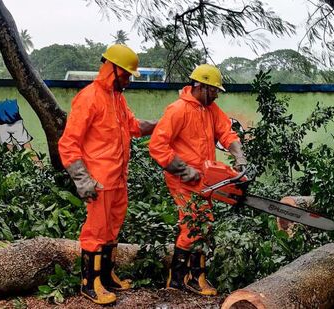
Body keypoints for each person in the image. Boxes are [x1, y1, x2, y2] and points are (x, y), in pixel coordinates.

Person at [58, 44, 157, 304]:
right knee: (96, 231)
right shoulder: (89, 97)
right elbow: (68, 143)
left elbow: (134, 126)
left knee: (112, 231)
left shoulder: (117, 98)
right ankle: (90, 284)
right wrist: (82, 179)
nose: (128, 81)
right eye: (126, 75)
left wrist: (162, 125)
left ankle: (107, 276)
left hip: (118, 179)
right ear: (112, 69)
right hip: (98, 180)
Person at [149, 64, 247, 296]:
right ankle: (178, 279)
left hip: (205, 177)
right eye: (213, 90)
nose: (215, 94)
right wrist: (183, 170)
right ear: (200, 86)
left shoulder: (210, 109)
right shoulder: (178, 110)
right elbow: (157, 146)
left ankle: (196, 276)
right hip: (182, 178)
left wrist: (239, 156)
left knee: (204, 223)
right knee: (192, 224)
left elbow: (226, 132)